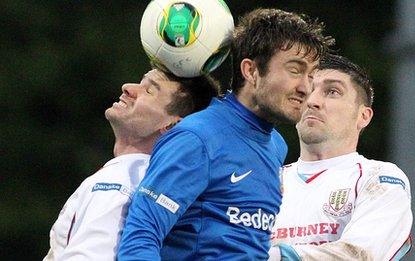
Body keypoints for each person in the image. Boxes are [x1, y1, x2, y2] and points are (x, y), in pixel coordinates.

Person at [117, 8, 334, 260]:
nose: (306, 87)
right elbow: (142, 235)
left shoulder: (276, 145)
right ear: (251, 71)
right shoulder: (197, 138)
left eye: (311, 75)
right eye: (295, 70)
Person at [43, 68, 219, 260]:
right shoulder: (171, 188)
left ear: (172, 125)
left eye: (150, 91)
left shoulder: (123, 180)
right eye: (140, 82)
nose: (128, 88)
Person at [269, 54, 413, 260]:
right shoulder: (265, 180)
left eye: (332, 92)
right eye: (308, 90)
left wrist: (271, 255)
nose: (312, 101)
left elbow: (360, 255)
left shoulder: (379, 179)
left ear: (364, 116)